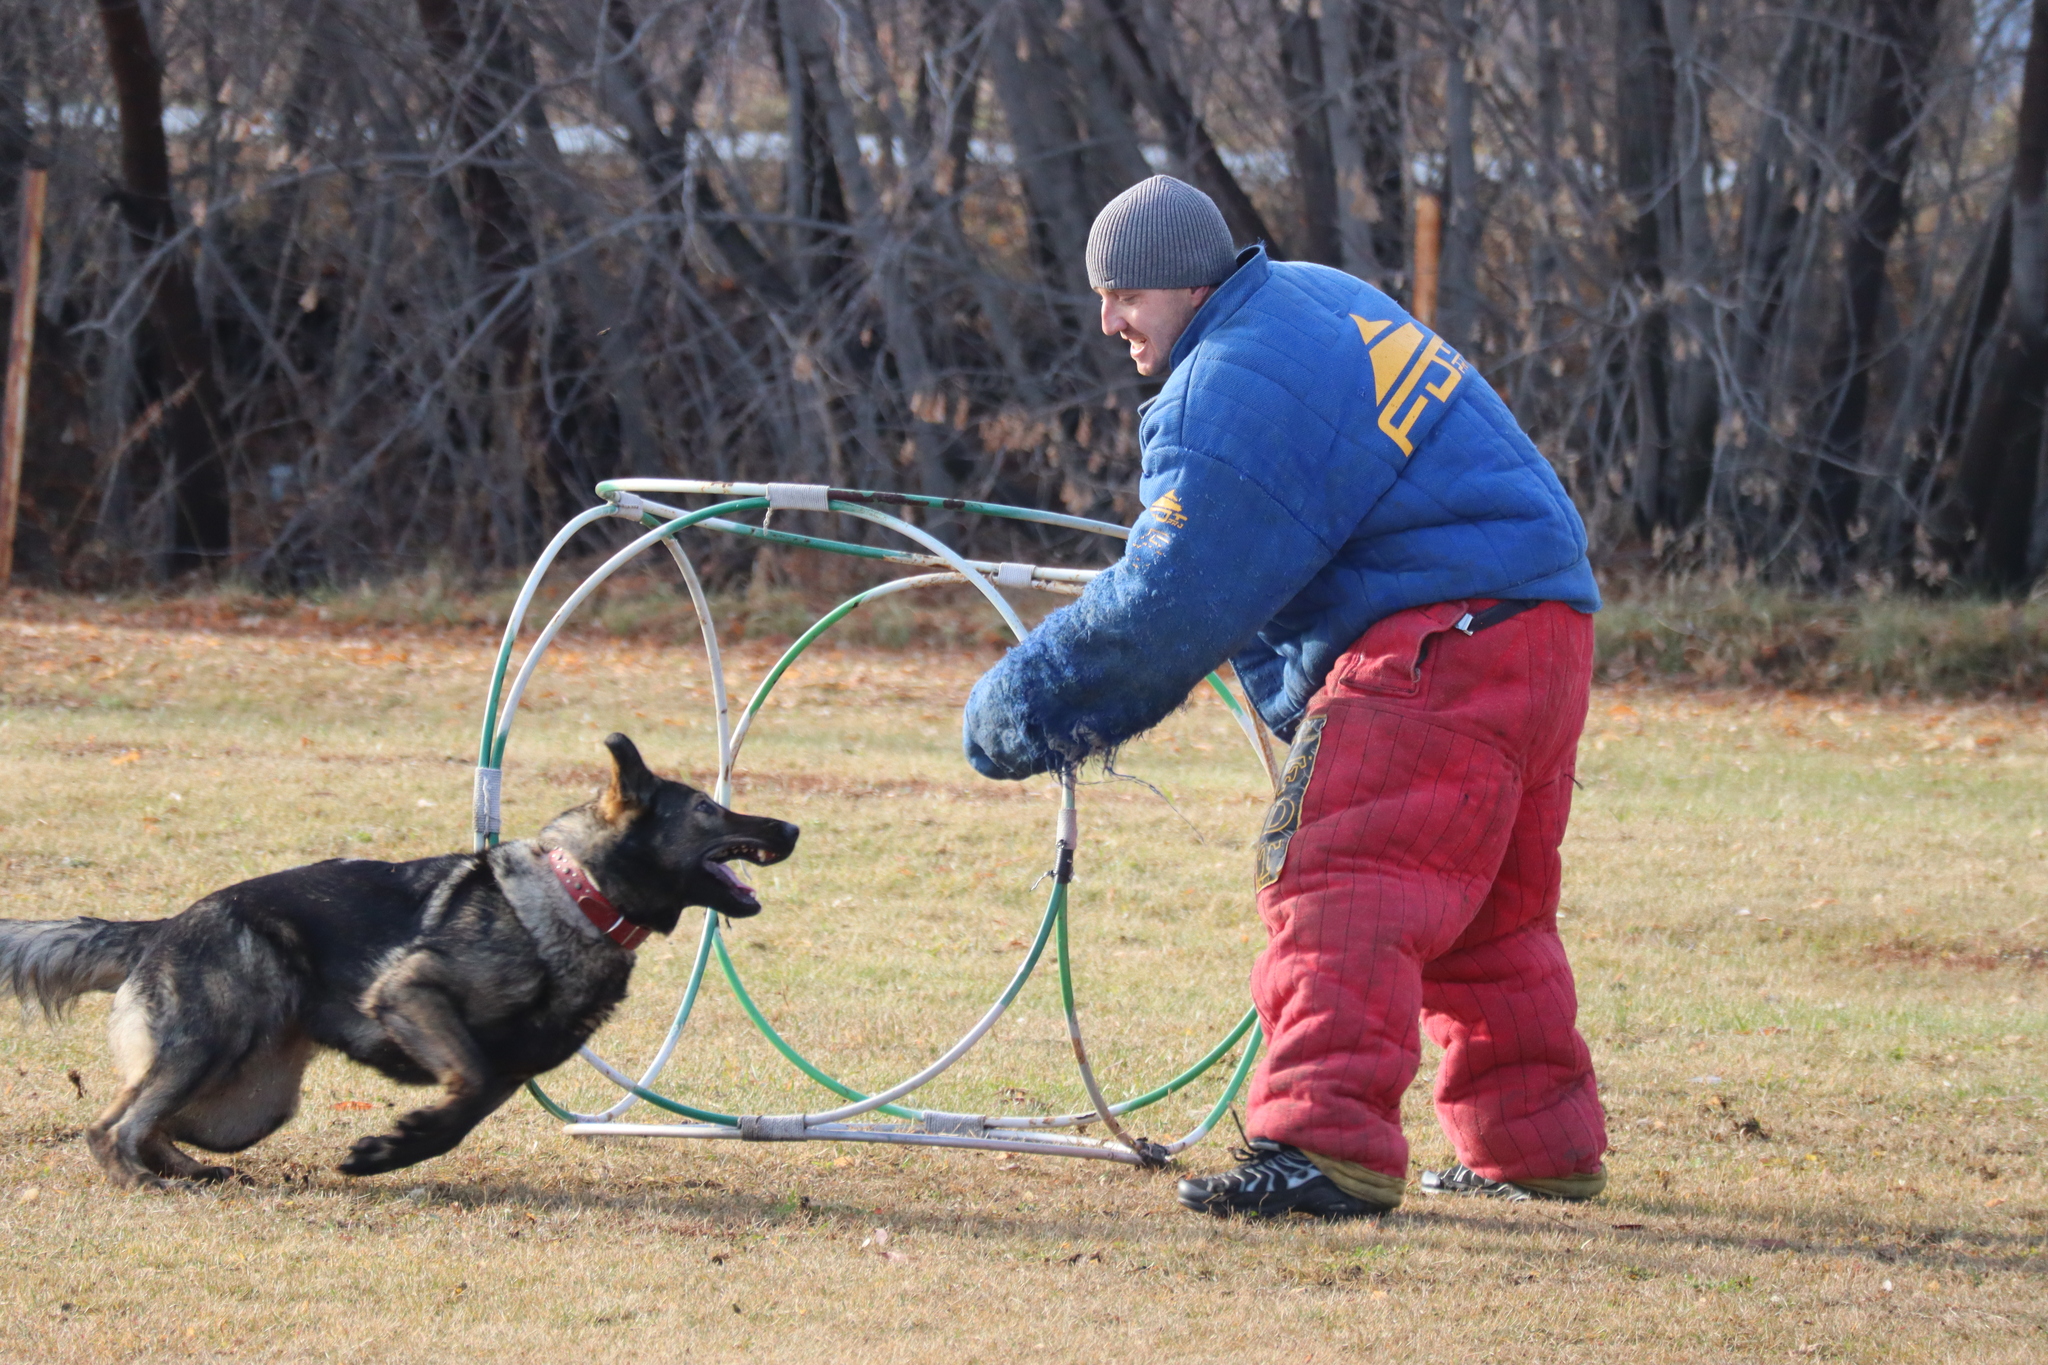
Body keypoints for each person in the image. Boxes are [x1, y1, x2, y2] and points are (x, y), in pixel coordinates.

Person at [961, 176, 1608, 1219]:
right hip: (1538, 625)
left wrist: (1018, 710)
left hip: (1441, 635)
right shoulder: (1306, 296)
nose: (1107, 320)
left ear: (1181, 282)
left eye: (1123, 294)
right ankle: (1532, 1148)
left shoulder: (1231, 380)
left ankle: (1322, 1150)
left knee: (1338, 877)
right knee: (1488, 911)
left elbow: (1169, 601)